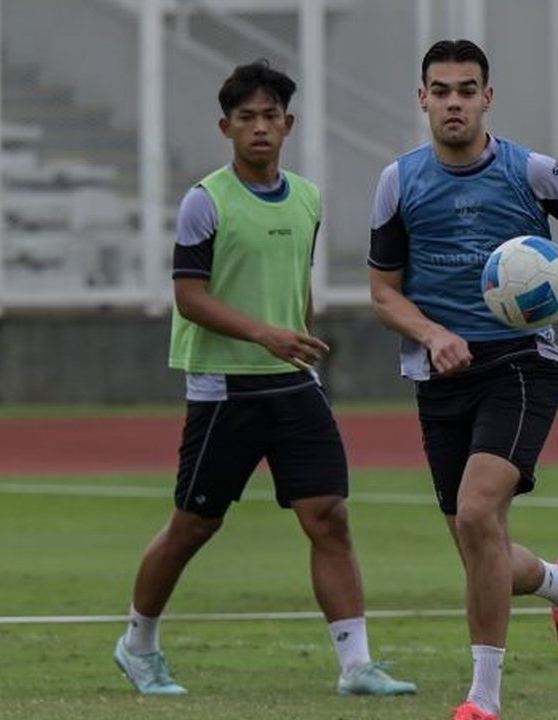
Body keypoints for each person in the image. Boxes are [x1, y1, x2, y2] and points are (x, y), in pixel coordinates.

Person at [367, 39, 558, 720]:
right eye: (440, 91)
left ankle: (483, 700)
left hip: (521, 366)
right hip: (440, 375)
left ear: (486, 99)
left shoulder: (533, 172)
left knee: (476, 512)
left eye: (466, 90)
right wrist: (433, 334)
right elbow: (383, 293)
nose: (453, 103)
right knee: (481, 546)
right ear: (423, 99)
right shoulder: (398, 182)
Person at [111, 59, 415, 699]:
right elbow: (189, 297)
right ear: (226, 127)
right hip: (224, 387)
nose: (259, 128)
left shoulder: (306, 197)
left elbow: (294, 284)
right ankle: (137, 645)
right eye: (246, 117)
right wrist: (265, 334)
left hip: (294, 386)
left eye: (270, 116)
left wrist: (296, 340)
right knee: (195, 525)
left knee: (329, 516)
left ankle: (357, 666)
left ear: (289, 124)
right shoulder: (205, 200)